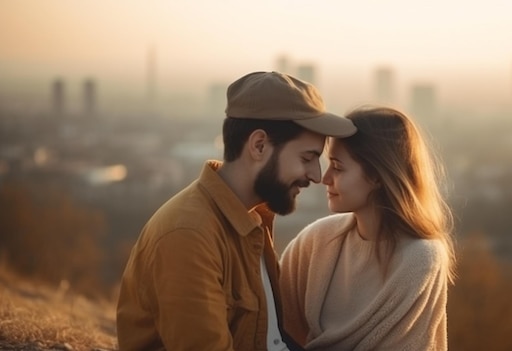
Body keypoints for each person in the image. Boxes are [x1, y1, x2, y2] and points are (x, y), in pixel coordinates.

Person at [116, 71, 356, 351]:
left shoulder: (251, 220)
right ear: (259, 145)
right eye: (307, 158)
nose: (316, 175)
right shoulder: (189, 237)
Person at [279, 106, 456, 351]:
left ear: (376, 176)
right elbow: (270, 328)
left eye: (338, 168)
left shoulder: (419, 258)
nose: (324, 178)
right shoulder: (315, 240)